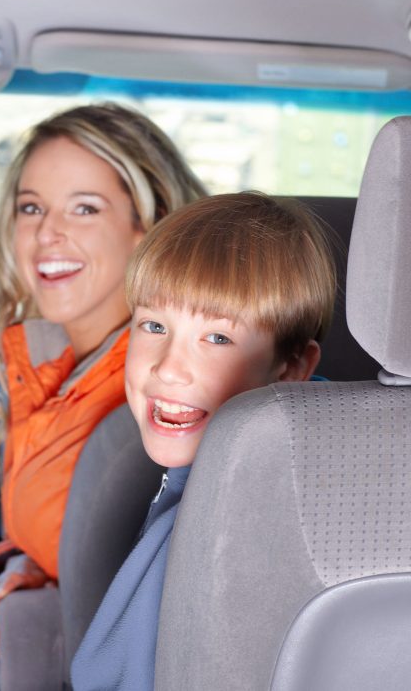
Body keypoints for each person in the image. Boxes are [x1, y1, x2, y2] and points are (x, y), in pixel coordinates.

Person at [0, 103, 207, 690]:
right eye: (31, 207)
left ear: (152, 224)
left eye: (84, 208)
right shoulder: (45, 364)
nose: (46, 235)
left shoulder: (165, 395)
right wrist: (34, 563)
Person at [70, 192, 335, 690]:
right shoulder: (320, 459)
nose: (168, 367)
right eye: (153, 325)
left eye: (218, 338)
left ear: (292, 366)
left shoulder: (231, 524)